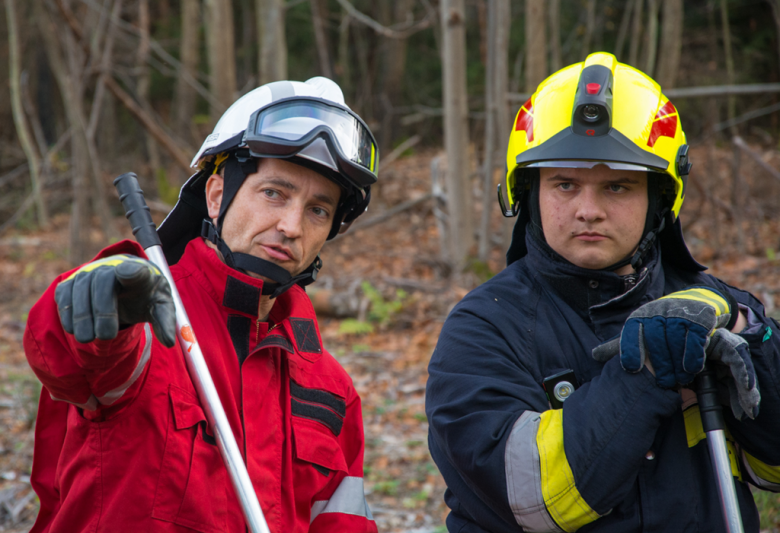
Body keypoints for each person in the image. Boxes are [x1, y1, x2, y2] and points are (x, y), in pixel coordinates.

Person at [425, 52, 780, 532]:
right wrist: (648, 368)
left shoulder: (715, 307)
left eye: (617, 187)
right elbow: (529, 498)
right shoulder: (483, 328)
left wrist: (751, 333)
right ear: (528, 193)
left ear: (660, 198)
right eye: (565, 184)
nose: (588, 210)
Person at [24, 77, 378, 533]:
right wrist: (91, 301)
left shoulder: (333, 391)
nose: (291, 226)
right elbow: (65, 350)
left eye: (318, 210)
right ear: (216, 196)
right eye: (274, 193)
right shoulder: (141, 314)